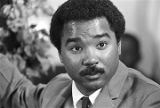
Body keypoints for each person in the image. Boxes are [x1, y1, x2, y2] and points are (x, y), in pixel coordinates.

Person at [1, 0, 160, 108]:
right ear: (61, 55)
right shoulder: (57, 88)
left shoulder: (149, 98)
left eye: (101, 44)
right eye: (76, 48)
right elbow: (17, 93)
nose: (91, 59)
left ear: (118, 46)